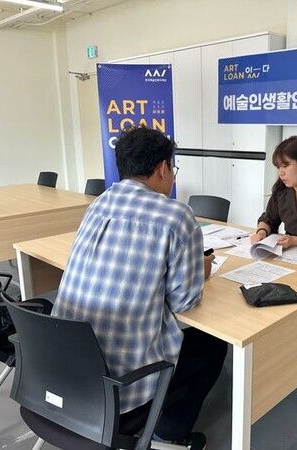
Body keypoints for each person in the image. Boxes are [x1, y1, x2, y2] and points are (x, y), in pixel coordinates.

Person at [51, 126, 226, 449]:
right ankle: (168, 435)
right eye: (173, 167)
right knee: (211, 345)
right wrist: (199, 270)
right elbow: (184, 301)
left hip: (62, 370)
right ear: (162, 168)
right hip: (117, 388)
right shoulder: (176, 215)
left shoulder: (98, 204)